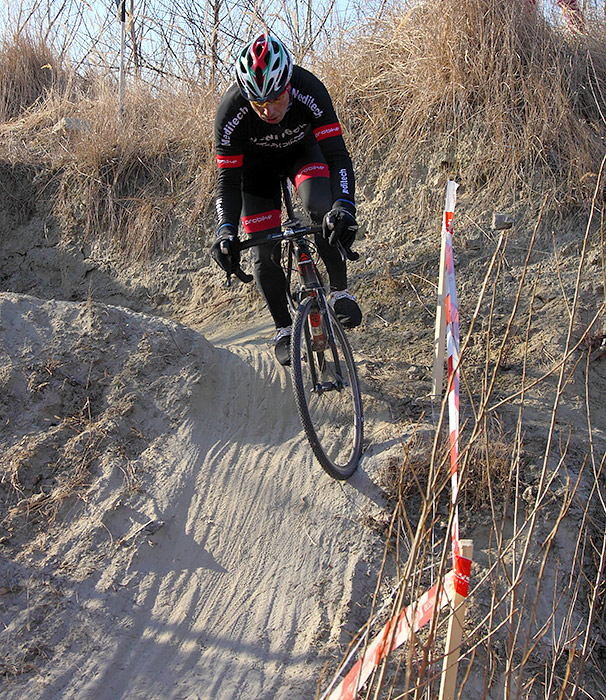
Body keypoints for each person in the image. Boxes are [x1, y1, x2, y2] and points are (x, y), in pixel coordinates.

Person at [211, 32, 362, 366]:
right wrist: (225, 230)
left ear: (289, 85)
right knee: (263, 252)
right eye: (258, 103)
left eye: (276, 99)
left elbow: (337, 156)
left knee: (323, 211)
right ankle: (282, 328)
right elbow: (228, 181)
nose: (269, 110)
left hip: (301, 154)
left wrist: (344, 206)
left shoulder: (309, 88)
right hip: (256, 172)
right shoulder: (230, 112)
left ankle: (339, 291)